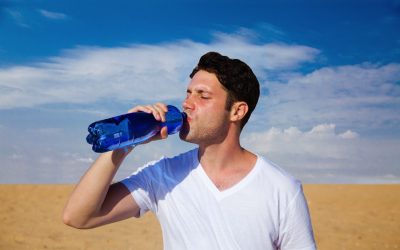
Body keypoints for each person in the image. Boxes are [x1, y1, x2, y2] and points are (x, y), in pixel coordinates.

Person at [63, 52, 316, 250]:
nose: (186, 104)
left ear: (237, 111)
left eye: (202, 96)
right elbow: (78, 216)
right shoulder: (162, 175)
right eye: (188, 93)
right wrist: (123, 144)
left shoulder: (282, 189)